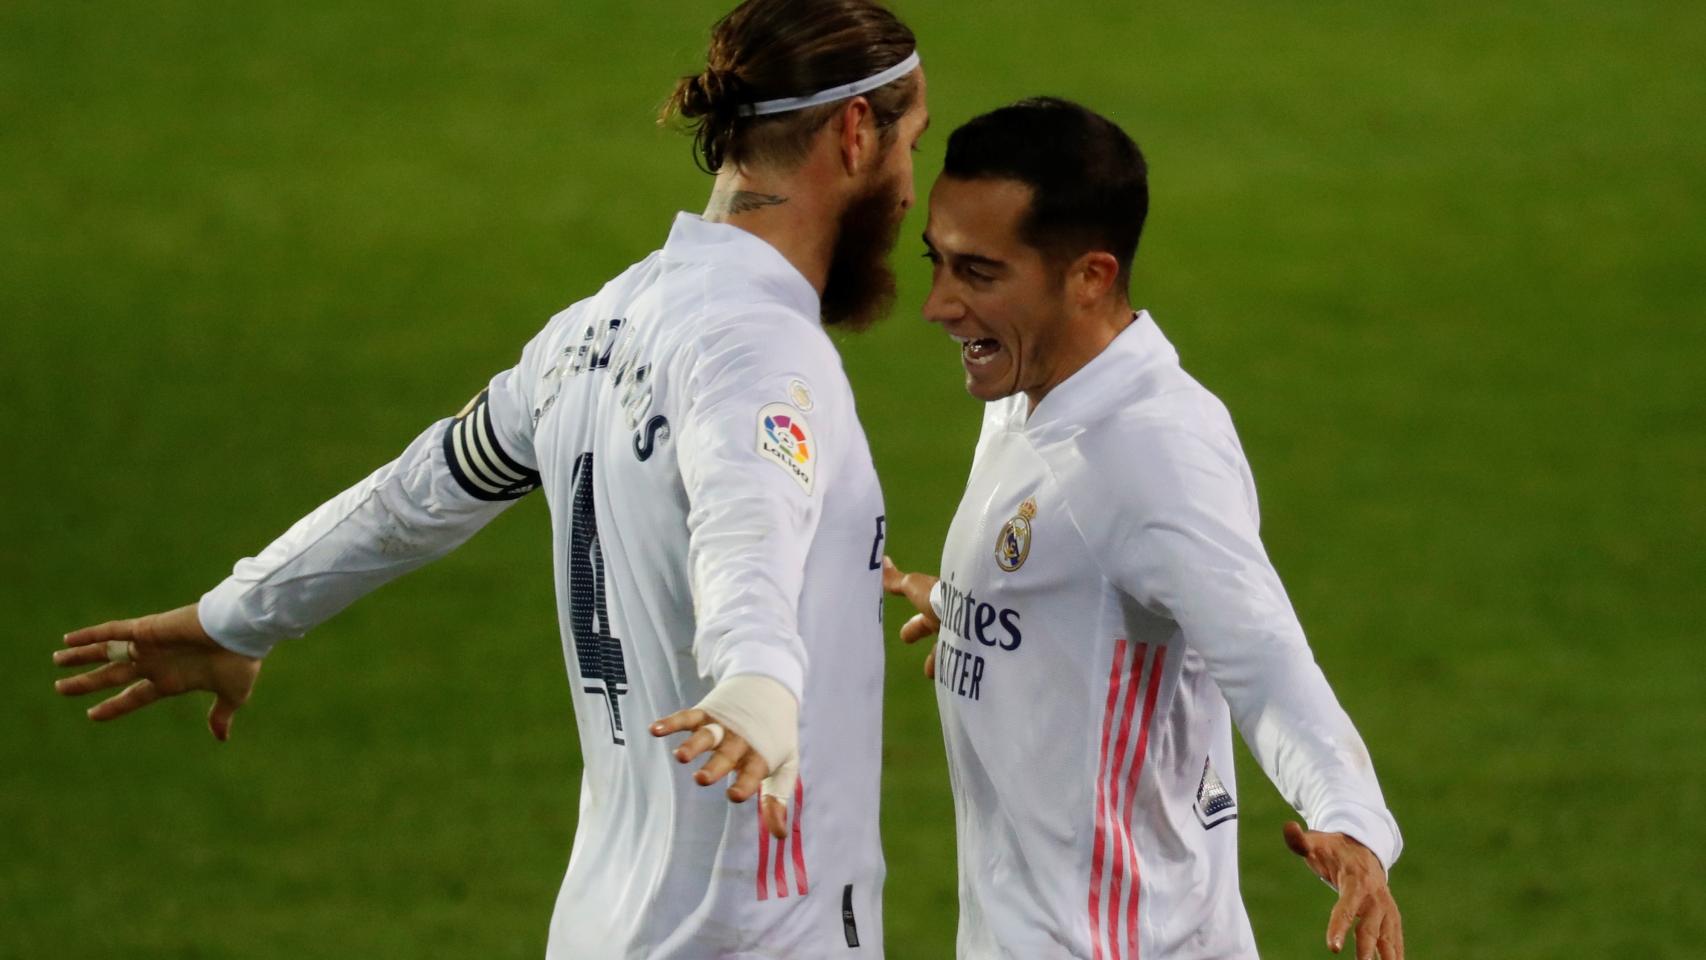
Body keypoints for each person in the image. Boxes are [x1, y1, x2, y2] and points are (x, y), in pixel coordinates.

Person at [51, 2, 928, 956]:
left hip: (603, 923)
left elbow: (417, 493)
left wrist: (240, 614)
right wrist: (756, 675)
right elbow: (747, 510)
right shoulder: (762, 349)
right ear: (853, 134)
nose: (912, 190)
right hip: (749, 929)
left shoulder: (588, 333)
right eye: (909, 144)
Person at [883, 98, 1404, 960]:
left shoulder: (1152, 455)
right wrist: (963, 603)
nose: (938, 304)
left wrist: (1351, 821)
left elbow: (1268, 664)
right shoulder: (1031, 397)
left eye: (979, 273)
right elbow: (1080, 580)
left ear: (1088, 276)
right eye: (937, 263)